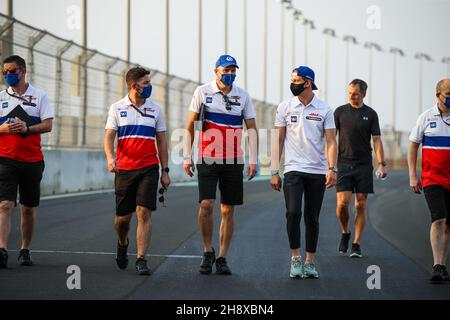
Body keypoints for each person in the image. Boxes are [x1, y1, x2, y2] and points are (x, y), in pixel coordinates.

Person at [183, 54, 258, 275]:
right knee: (206, 204)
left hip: (234, 158)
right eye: (226, 70)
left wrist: (253, 159)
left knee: (228, 208)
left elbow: (251, 128)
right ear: (216, 71)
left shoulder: (243, 96)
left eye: (233, 70)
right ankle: (208, 251)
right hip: (207, 156)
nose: (230, 74)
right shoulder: (202, 92)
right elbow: (189, 126)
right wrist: (187, 156)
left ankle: (222, 256)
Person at [270, 66, 337, 278]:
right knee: (292, 213)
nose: (292, 83)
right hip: (293, 170)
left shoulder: (325, 109)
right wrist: (274, 170)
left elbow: (331, 141)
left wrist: (331, 168)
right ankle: (295, 258)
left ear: (307, 82)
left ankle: (309, 261)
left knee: (312, 217)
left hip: (317, 171)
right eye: (291, 79)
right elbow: (278, 139)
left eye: (296, 80)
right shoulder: (285, 107)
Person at [104, 67, 170, 275]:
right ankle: (122, 242)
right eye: (146, 83)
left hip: (149, 168)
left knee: (144, 212)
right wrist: (110, 158)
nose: (150, 86)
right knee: (122, 220)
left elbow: (162, 141)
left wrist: (165, 170)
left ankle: (141, 258)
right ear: (134, 86)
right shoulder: (117, 108)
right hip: (124, 169)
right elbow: (109, 137)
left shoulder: (156, 110)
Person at [0, 55, 53, 269]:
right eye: (5, 72)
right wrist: (2, 128)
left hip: (32, 160)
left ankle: (25, 249)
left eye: (12, 71)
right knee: (4, 205)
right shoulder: (0, 97)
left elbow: (48, 125)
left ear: (23, 71)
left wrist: (27, 128)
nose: (8, 75)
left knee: (28, 208)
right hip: (5, 159)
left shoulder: (39, 95)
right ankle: (2, 250)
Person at [334, 79, 387, 258]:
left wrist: (381, 163)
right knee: (342, 205)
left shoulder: (371, 114)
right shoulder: (340, 112)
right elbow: (329, 139)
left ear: (363, 94)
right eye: (350, 93)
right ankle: (345, 231)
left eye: (355, 93)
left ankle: (356, 243)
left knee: (361, 205)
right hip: (343, 163)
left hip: (363, 164)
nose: (352, 96)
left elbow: (377, 140)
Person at [408, 78, 450, 283]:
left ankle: (442, 264)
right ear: (438, 95)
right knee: (438, 218)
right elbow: (413, 146)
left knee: (448, 223)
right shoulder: (426, 117)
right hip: (433, 178)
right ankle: (436, 265)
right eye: (449, 95)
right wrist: (412, 175)